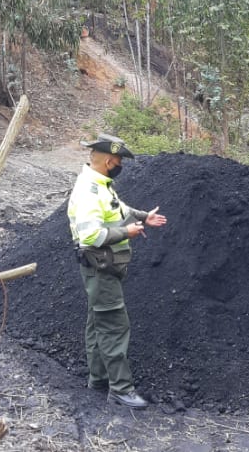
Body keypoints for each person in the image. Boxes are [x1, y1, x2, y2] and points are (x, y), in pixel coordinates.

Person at [67, 133, 167, 408]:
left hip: (104, 270)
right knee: (114, 325)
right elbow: (91, 236)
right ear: (110, 161)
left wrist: (143, 216)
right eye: (119, 160)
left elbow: (118, 208)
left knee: (97, 323)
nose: (121, 164)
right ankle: (121, 389)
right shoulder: (89, 193)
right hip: (100, 269)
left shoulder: (101, 185)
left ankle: (98, 379)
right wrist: (128, 232)